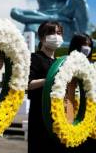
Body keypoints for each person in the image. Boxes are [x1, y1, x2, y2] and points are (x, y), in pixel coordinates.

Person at [27, 21, 65, 152]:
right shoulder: (34, 58)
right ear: (41, 37)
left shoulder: (60, 62)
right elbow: (27, 84)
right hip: (39, 114)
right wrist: (49, 80)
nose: (56, 36)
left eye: (59, 33)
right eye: (51, 33)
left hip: (59, 115)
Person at [68, 33, 96, 153]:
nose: (86, 48)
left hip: (90, 115)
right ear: (76, 46)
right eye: (83, 45)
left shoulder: (93, 66)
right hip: (72, 114)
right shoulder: (67, 64)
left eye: (89, 45)